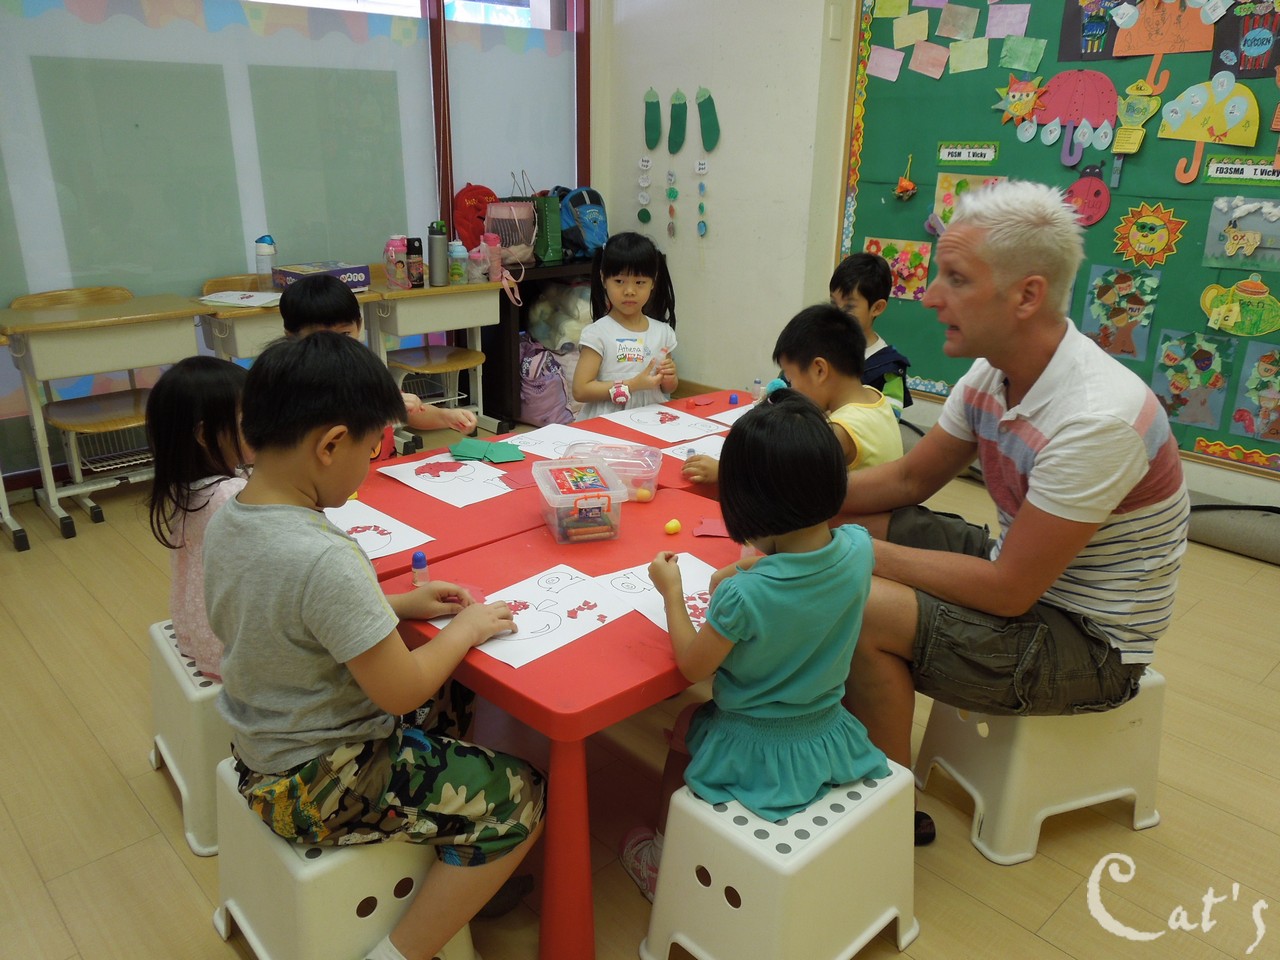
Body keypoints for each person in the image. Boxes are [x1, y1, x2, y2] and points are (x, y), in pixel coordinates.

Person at [838, 180, 1189, 846]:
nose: (930, 296)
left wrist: (850, 554)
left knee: (858, 599)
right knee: (838, 530)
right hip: (1025, 578)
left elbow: (1008, 592)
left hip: (1090, 642)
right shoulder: (990, 372)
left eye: (955, 279)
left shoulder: (1097, 418)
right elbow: (911, 477)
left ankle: (883, 811)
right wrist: (796, 496)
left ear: (1027, 296)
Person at [203, 333, 545, 960]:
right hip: (322, 778)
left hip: (265, 747)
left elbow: (286, 615)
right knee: (520, 793)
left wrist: (397, 605)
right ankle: (401, 951)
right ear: (331, 444)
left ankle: (452, 859)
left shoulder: (233, 516)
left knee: (454, 695)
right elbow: (402, 690)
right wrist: (467, 628)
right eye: (370, 450)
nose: (371, 464)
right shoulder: (325, 555)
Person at [618, 389, 890, 901]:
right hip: (830, 729)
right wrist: (753, 565)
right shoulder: (858, 548)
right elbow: (805, 578)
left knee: (688, 722)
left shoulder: (743, 598)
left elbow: (693, 667)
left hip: (755, 745)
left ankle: (659, 857)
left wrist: (671, 592)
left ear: (748, 506)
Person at [682, 304, 903, 484]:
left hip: (850, 521)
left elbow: (782, 477)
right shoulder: (872, 396)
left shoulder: (840, 432)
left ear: (819, 370)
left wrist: (724, 471)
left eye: (791, 377)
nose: (791, 388)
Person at [145, 356, 250, 680]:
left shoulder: (185, 486)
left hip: (195, 630)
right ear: (205, 435)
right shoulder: (229, 495)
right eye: (250, 419)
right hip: (230, 646)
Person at [279, 273, 477, 435]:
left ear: (359, 327)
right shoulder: (293, 382)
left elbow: (409, 412)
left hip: (376, 468)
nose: (336, 345)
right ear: (291, 336)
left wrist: (446, 417)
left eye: (345, 334)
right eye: (320, 337)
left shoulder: (366, 369)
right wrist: (378, 409)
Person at [571, 231, 679, 418]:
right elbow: (580, 390)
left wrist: (669, 378)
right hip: (609, 420)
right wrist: (632, 385)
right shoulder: (598, 333)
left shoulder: (663, 333)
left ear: (653, 282)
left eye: (640, 282)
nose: (629, 291)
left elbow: (668, 388)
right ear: (604, 279)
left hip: (651, 417)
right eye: (619, 281)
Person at [829, 251, 913, 419]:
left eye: (849, 307)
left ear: (877, 308)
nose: (837, 315)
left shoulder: (888, 368)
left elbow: (887, 421)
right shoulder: (821, 345)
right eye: (833, 303)